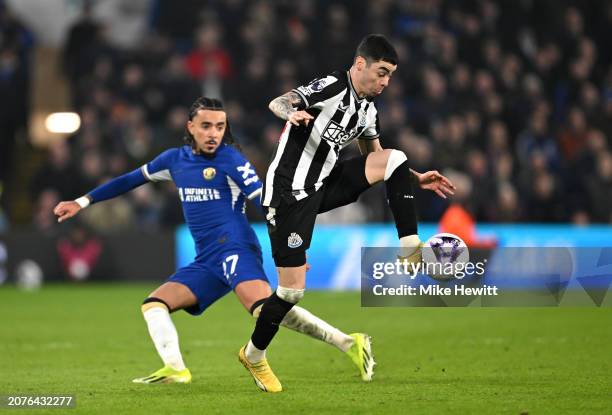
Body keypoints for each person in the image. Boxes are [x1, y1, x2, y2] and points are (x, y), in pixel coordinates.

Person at [53, 97, 373, 385]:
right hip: (206, 258)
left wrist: (294, 249)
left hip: (235, 246)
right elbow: (128, 181)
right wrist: (81, 202)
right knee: (154, 305)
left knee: (265, 311)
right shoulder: (173, 161)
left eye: (220, 127)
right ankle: (176, 369)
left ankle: (347, 343)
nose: (213, 133)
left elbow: (266, 201)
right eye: (206, 126)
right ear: (190, 127)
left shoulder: (231, 160)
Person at [239, 34, 456, 392]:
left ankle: (410, 246)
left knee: (397, 157)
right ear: (360, 65)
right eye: (382, 73)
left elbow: (376, 154)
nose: (386, 82)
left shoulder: (368, 108)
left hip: (324, 185)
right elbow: (280, 100)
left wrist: (413, 177)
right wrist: (290, 111)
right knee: (291, 293)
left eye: (390, 76)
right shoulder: (332, 86)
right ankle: (254, 355)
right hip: (288, 195)